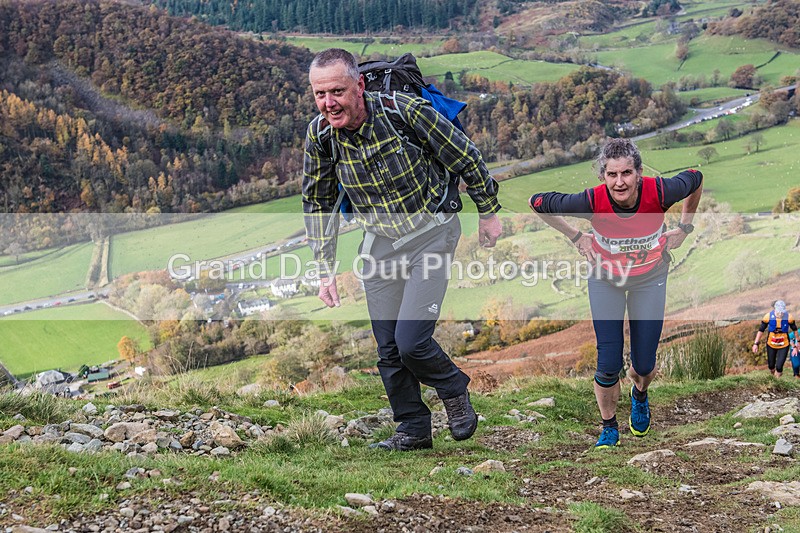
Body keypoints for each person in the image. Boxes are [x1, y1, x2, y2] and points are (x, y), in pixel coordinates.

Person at [302, 49, 502, 451]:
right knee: (389, 348)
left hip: (432, 232)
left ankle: (454, 390)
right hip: (380, 243)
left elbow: (465, 155)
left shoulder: (402, 111)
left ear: (359, 86)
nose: (329, 103)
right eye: (320, 94)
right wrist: (323, 269)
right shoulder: (320, 136)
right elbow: (318, 203)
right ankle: (412, 429)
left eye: (337, 91)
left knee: (412, 340)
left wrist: (487, 211)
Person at [529, 138, 703, 449]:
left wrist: (684, 227)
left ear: (639, 173)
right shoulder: (591, 202)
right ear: (603, 176)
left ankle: (639, 395)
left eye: (626, 173)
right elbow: (537, 202)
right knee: (608, 363)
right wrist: (575, 236)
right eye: (612, 174)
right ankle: (609, 427)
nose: (619, 182)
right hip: (605, 281)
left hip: (649, 280)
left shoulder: (661, 191)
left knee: (644, 365)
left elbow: (696, 178)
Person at [752, 300, 798, 378]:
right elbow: (761, 330)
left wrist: (797, 343)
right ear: (775, 309)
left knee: (779, 367)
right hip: (771, 344)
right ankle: (773, 376)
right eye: (779, 312)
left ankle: (776, 381)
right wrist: (756, 343)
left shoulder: (789, 317)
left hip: (784, 345)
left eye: (782, 312)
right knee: (771, 366)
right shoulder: (768, 316)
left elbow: (795, 331)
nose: (780, 313)